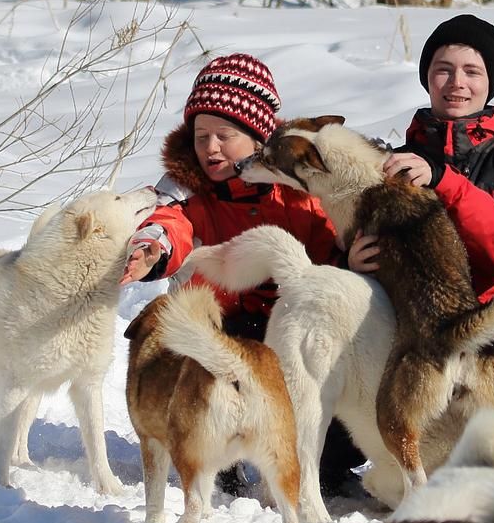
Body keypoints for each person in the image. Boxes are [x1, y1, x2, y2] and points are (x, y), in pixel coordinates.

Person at [122, 54, 356, 494]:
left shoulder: (299, 194)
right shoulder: (188, 190)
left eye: (224, 136)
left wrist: (354, 255)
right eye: (201, 136)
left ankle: (328, 461)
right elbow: (171, 224)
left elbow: (332, 251)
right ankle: (217, 453)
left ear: (257, 137)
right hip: (221, 333)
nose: (210, 148)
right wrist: (152, 250)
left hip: (287, 331)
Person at [350, 14, 494, 400]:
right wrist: (351, 263)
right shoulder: (392, 164)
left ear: (490, 83)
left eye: (472, 71)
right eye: (443, 70)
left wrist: (444, 182)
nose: (457, 83)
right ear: (427, 78)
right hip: (412, 331)